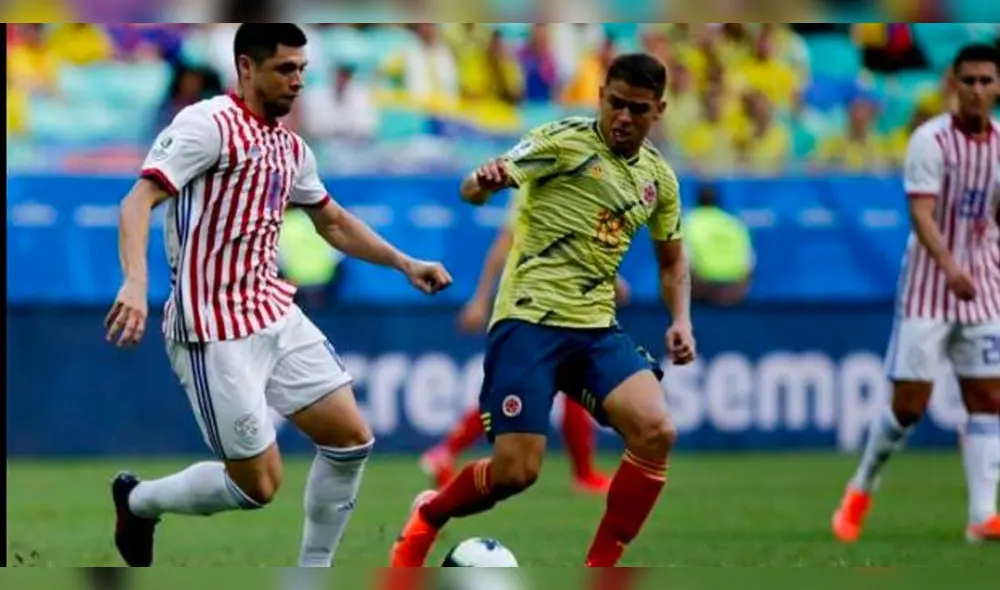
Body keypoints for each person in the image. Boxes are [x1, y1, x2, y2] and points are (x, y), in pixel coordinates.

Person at [103, 24, 452, 567]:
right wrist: (135, 281)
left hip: (272, 311)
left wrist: (404, 262)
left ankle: (312, 573)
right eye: (284, 69)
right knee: (258, 486)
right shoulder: (206, 124)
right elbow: (136, 201)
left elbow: (331, 221)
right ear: (247, 68)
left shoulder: (291, 148)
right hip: (211, 329)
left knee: (351, 439)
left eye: (302, 71)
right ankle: (140, 501)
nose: (297, 82)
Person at [389, 53, 695, 568]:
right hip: (529, 321)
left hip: (596, 328)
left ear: (658, 110)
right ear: (600, 95)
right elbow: (471, 189)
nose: (623, 117)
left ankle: (601, 568)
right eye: (615, 103)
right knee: (516, 472)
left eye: (637, 109)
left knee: (656, 431)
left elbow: (672, 260)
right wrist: (482, 183)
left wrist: (681, 318)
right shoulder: (562, 140)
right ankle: (430, 513)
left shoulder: (659, 180)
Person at [832, 43, 1000, 544]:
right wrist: (950, 266)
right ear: (952, 82)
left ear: (998, 86)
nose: (976, 90)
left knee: (989, 397)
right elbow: (921, 214)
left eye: (985, 81)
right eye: (967, 80)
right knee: (909, 406)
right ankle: (861, 486)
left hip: (985, 285)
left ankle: (981, 516)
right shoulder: (930, 140)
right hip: (930, 285)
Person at [419, 188, 634, 494]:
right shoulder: (542, 190)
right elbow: (511, 246)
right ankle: (582, 474)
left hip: (549, 303)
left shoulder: (556, 185)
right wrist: (480, 301)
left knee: (555, 385)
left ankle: (446, 452)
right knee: (532, 389)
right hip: (539, 306)